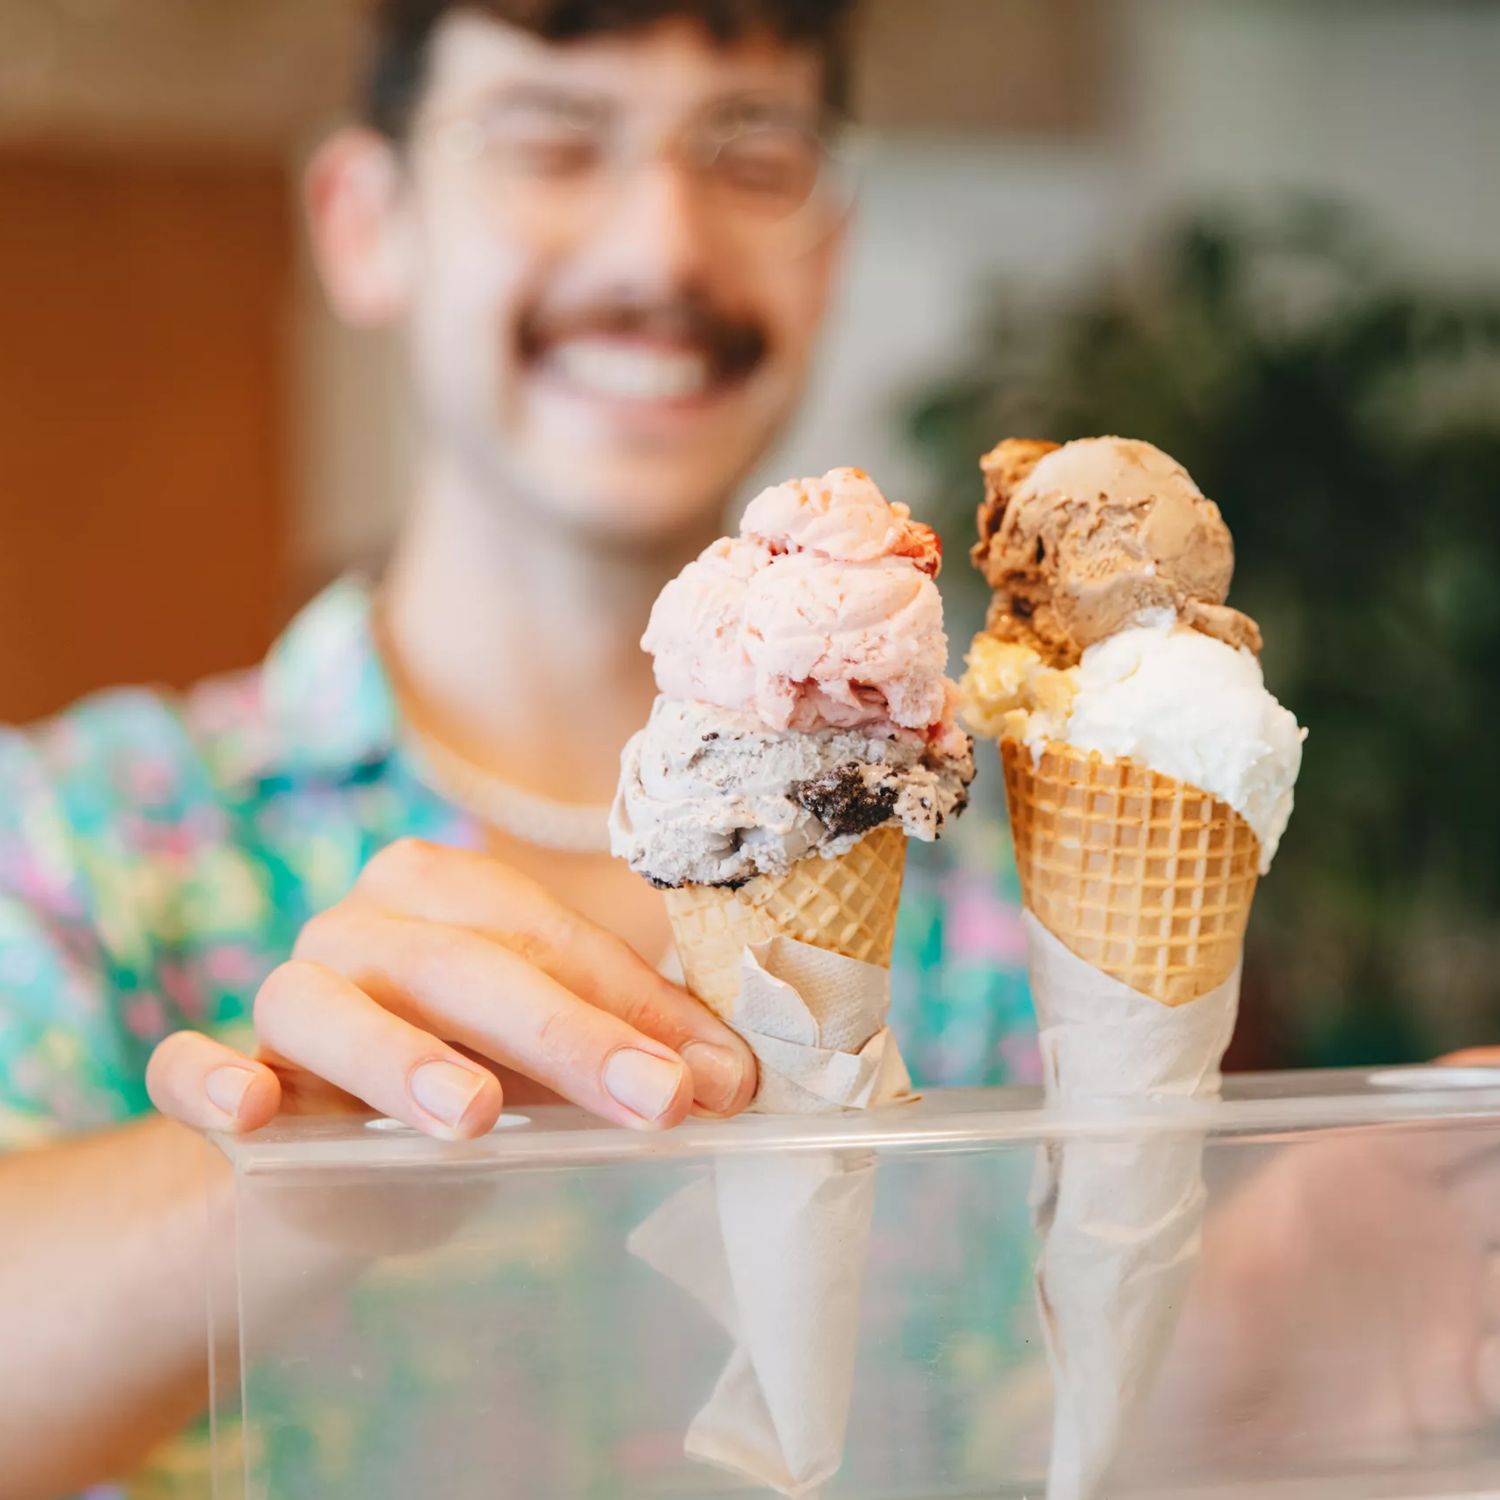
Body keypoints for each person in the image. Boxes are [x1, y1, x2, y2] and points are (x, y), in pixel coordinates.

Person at [0, 4, 1030, 1495]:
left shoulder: (977, 887)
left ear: (832, 241)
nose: (662, 248)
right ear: (366, 223)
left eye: (751, 152)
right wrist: (297, 1172)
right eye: (552, 141)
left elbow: (1050, 1426)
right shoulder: (83, 835)